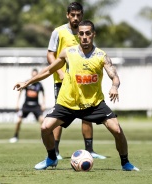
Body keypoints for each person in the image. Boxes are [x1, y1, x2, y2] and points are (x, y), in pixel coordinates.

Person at [14, 20, 139, 171]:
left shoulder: (101, 56)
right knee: (45, 128)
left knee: (117, 130)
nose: (84, 36)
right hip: (68, 102)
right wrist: (27, 82)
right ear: (78, 35)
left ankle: (125, 163)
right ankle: (51, 158)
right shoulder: (68, 52)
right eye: (81, 33)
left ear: (93, 34)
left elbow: (115, 76)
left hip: (94, 104)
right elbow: (49, 70)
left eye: (88, 33)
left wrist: (114, 86)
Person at [47, 2, 106, 160]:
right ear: (67, 15)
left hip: (82, 82)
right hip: (63, 82)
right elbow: (50, 55)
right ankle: (56, 151)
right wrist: (59, 72)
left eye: (78, 15)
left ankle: (90, 150)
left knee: (88, 114)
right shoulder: (58, 32)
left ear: (82, 15)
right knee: (58, 117)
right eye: (72, 15)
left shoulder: (85, 32)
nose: (75, 18)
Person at [9, 68, 46, 143]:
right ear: (31, 75)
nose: (34, 76)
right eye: (33, 75)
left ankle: (43, 137)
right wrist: (17, 103)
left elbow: (43, 95)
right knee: (19, 120)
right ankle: (15, 136)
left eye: (36, 75)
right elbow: (20, 92)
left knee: (42, 120)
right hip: (26, 106)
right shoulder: (27, 82)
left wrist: (43, 104)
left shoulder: (39, 84)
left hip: (36, 106)